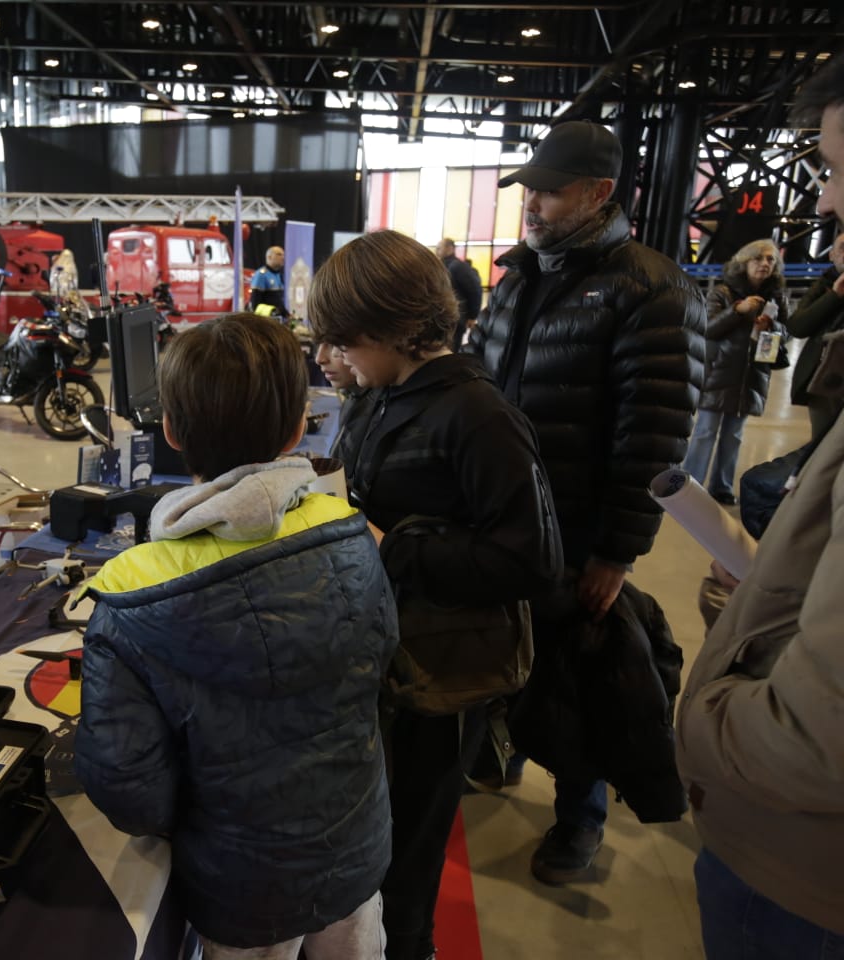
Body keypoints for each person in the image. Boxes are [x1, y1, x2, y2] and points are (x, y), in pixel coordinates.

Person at [75, 313, 398, 960]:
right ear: (295, 427)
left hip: (239, 888)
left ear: (169, 429)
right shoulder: (355, 535)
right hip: (355, 849)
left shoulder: (128, 595)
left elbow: (129, 790)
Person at [465, 120, 706, 884]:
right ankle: (501, 750)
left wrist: (616, 552)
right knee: (499, 650)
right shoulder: (517, 276)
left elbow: (655, 437)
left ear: (599, 194)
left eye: (547, 190)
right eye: (527, 190)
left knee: (581, 679)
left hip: (578, 533)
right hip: (503, 520)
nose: (530, 204)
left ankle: (580, 820)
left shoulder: (653, 287)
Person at [312, 231, 562, 960]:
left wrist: (396, 549)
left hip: (444, 675)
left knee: (412, 853)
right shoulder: (385, 393)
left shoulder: (479, 417)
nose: (338, 357)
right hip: (389, 655)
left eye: (346, 340)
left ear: (394, 327)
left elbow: (532, 562)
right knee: (378, 832)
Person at [677, 54, 844, 959]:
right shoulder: (717, 294)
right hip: (800, 857)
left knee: (728, 462)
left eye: (838, 173)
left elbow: (819, 735)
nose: (822, 209)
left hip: (801, 873)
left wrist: (705, 711)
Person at [682, 239, 789, 505]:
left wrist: (772, 326)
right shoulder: (722, 293)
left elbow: (786, 333)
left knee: (734, 435)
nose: (765, 264)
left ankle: (723, 487)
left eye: (770, 260)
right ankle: (690, 485)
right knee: (705, 431)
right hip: (718, 373)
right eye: (758, 258)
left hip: (752, 376)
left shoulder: (777, 296)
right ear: (744, 262)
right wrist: (737, 312)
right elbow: (707, 328)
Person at [785, 232, 844, 443]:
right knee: (821, 444)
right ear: (832, 255)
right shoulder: (824, 284)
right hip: (823, 381)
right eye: (842, 248)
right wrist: (834, 296)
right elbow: (798, 326)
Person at [436, 238, 482, 350]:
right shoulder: (442, 265)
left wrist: (472, 316)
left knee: (451, 350)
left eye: (439, 248)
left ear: (450, 248)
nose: (436, 250)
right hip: (444, 317)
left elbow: (474, 290)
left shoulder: (457, 266)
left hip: (456, 317)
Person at [248, 244, 287, 316]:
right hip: (266, 320)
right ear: (269, 257)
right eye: (279, 254)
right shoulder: (261, 275)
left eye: (283, 255)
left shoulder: (279, 275)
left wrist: (286, 314)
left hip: (277, 320)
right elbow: (255, 306)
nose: (283, 257)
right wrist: (272, 312)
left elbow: (278, 301)